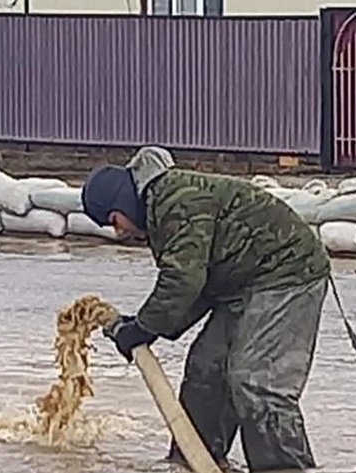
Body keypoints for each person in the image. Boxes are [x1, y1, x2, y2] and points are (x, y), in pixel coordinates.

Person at [80, 146, 331, 472]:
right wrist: (145, 327)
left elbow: (183, 280)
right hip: (240, 284)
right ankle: (194, 461)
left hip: (287, 273)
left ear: (121, 202)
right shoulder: (160, 208)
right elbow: (197, 288)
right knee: (207, 367)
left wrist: (142, 329)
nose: (120, 231)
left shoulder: (174, 200)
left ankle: (283, 468)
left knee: (255, 381)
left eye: (114, 221)